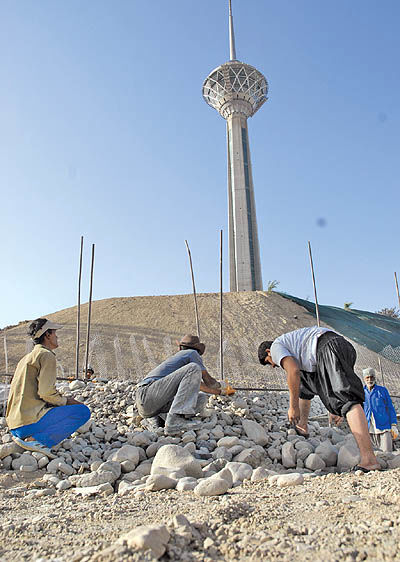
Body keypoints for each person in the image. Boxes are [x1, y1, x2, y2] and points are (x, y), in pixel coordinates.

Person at [258, 326, 380, 472]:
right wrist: (333, 406)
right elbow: (307, 388)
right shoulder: (298, 350)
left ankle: (369, 459)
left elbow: (293, 371)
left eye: (268, 361)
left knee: (348, 400)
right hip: (339, 347)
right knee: (306, 387)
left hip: (327, 346)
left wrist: (293, 406)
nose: (272, 366)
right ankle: (302, 426)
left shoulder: (276, 347)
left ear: (268, 352)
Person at [6, 318, 91, 458]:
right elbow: (46, 393)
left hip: (15, 426)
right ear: (47, 335)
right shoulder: (46, 355)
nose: (57, 336)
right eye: (54, 333)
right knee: (82, 412)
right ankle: (37, 441)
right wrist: (67, 401)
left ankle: (27, 439)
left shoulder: (26, 358)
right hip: (29, 423)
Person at [136, 334, 226, 435]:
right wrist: (222, 385)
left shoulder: (179, 364)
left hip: (150, 404)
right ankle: (174, 420)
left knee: (201, 398)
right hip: (147, 393)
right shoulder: (192, 353)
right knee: (194, 367)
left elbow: (196, 385)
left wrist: (220, 392)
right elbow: (209, 382)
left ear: (180, 347)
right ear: (197, 349)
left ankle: (157, 420)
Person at [363, 367, 398, 452]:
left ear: (374, 378)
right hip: (368, 428)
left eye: (372, 377)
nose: (370, 379)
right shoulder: (361, 392)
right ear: (364, 379)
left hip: (384, 427)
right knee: (373, 454)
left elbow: (390, 408)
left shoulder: (382, 391)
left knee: (387, 453)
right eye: (367, 377)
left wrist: (393, 424)